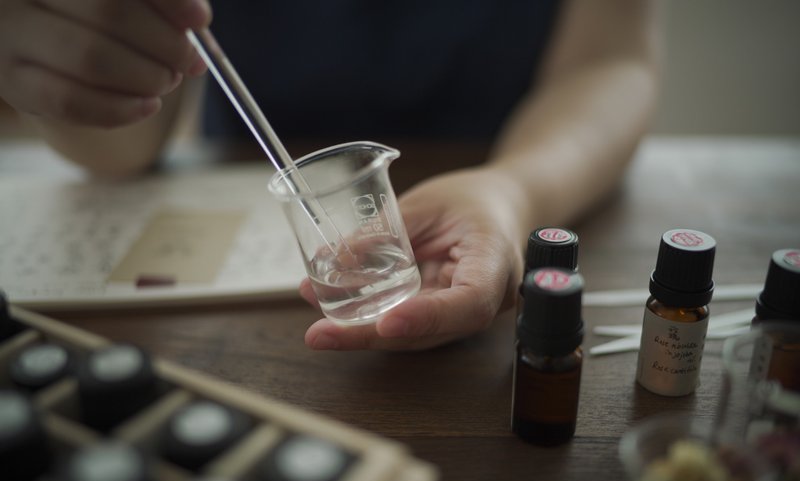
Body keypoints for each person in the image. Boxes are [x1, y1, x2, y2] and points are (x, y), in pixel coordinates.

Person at [0, 0, 660, 351]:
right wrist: (64, 59)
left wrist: (513, 187)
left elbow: (608, 63)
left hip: (507, 173)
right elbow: (119, 150)